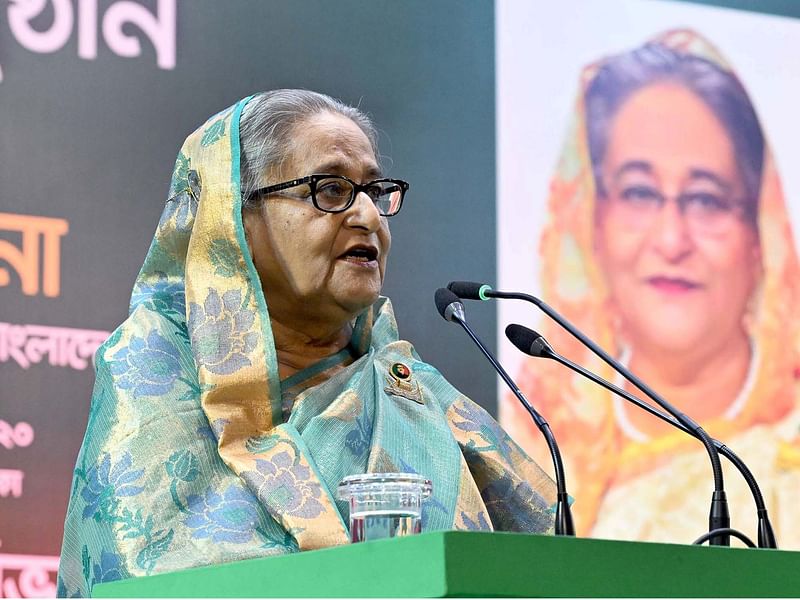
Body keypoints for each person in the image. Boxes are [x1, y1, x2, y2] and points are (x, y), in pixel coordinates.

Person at [56, 90, 556, 596]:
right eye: (331, 189)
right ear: (233, 219)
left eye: (375, 190)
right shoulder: (155, 368)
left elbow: (555, 568)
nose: (368, 216)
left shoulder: (413, 396)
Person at [502, 30, 800, 547]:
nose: (671, 239)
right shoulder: (530, 439)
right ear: (591, 222)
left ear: (759, 231)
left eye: (706, 199)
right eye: (639, 193)